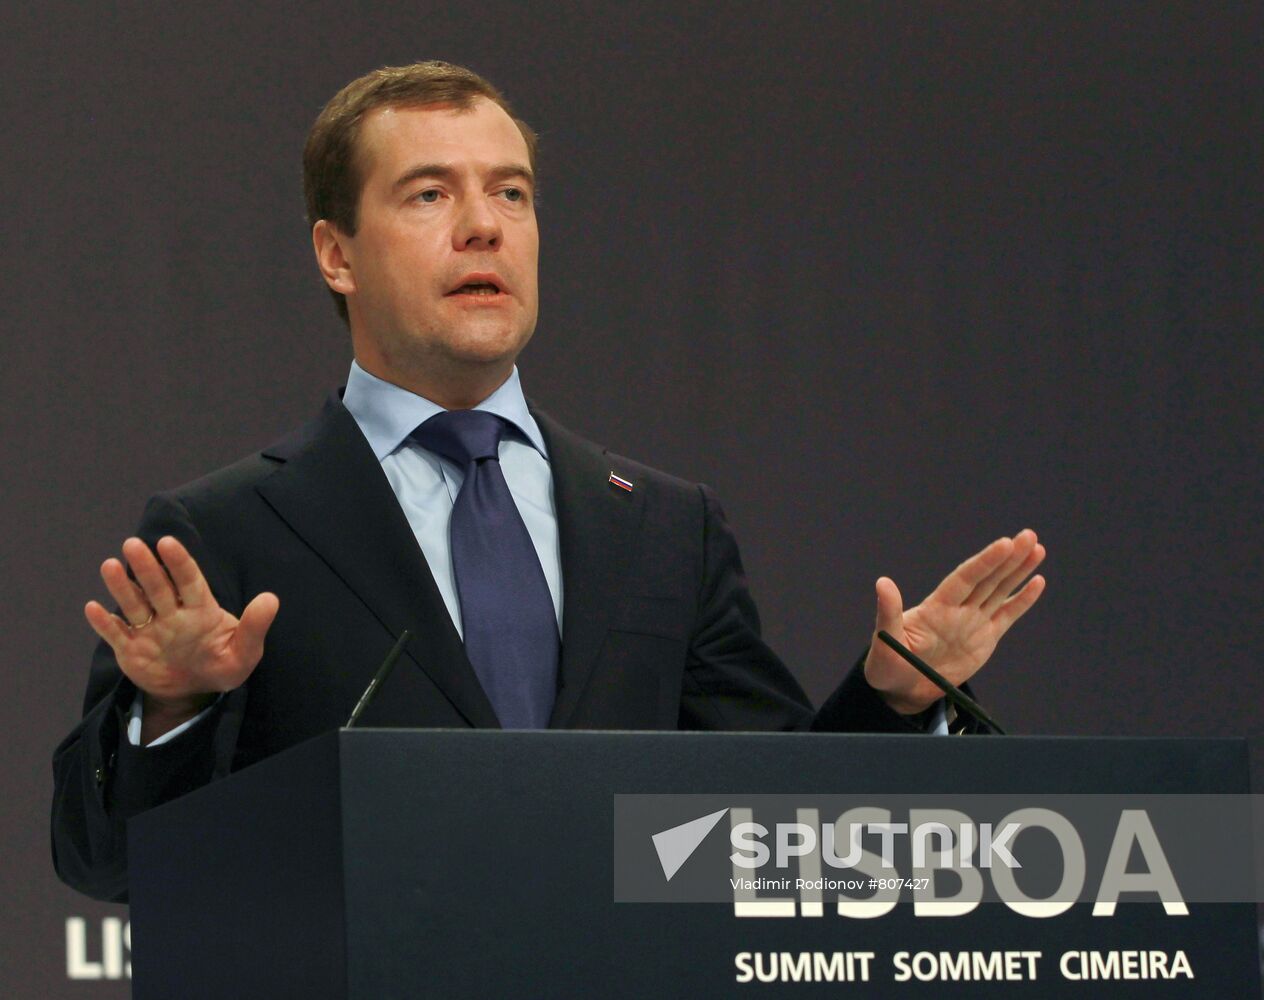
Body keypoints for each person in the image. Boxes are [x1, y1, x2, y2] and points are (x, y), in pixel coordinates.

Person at [51, 61, 1046, 902]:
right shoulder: (229, 527)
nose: (484, 226)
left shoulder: (665, 526)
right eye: (430, 194)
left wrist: (893, 697)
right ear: (336, 254)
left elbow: (779, 831)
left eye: (512, 193)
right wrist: (173, 710)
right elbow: (109, 863)